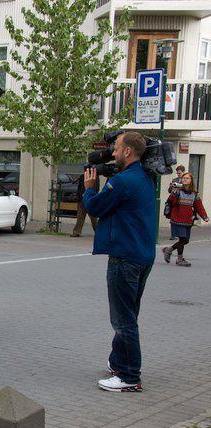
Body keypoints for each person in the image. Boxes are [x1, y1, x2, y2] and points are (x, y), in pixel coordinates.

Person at [83, 131, 155, 393]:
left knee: (123, 319)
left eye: (115, 148)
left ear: (127, 152)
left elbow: (96, 207)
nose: (111, 153)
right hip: (142, 255)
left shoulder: (123, 181)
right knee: (128, 315)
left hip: (125, 257)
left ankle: (129, 376)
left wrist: (90, 188)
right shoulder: (146, 176)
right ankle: (118, 363)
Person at [162, 172, 209, 267]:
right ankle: (180, 259)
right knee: (182, 238)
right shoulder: (178, 191)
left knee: (185, 240)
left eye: (187, 178)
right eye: (183, 178)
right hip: (177, 219)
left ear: (191, 181)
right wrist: (174, 192)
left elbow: (199, 206)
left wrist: (204, 216)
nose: (185, 179)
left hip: (188, 220)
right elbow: (170, 202)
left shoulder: (194, 193)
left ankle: (168, 250)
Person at [71, 173, 98, 237]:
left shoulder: (94, 177)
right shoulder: (83, 176)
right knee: (80, 216)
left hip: (91, 198)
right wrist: (79, 197)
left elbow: (96, 188)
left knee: (93, 217)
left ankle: (98, 231)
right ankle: (77, 232)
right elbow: (79, 187)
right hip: (82, 199)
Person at [167, 165, 185, 240]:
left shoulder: (187, 179)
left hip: (183, 201)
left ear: (183, 172)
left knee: (181, 218)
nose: (178, 175)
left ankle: (181, 234)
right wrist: (171, 187)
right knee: (173, 218)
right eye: (177, 173)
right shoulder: (174, 180)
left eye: (179, 173)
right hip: (174, 201)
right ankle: (173, 235)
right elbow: (169, 191)